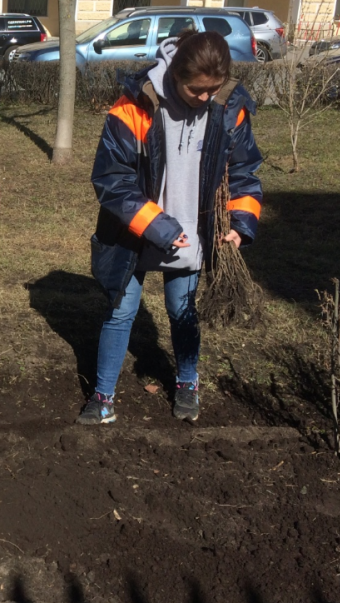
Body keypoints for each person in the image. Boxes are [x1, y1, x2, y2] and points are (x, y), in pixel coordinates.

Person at [82, 30, 263, 425]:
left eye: (213, 89)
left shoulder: (229, 107)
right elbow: (112, 180)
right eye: (196, 89)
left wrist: (240, 222)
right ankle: (103, 396)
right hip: (132, 232)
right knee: (119, 313)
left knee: (183, 312)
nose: (205, 98)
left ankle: (187, 382)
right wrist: (159, 227)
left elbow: (245, 174)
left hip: (193, 233)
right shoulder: (135, 105)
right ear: (175, 75)